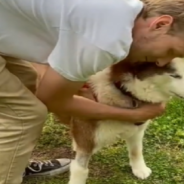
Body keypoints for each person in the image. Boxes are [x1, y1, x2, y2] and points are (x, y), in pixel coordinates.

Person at [0, 0, 183, 184]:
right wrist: (133, 115)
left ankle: (11, 160)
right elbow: (52, 100)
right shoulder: (108, 41)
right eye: (170, 51)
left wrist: (63, 76)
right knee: (25, 115)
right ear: (160, 24)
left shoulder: (126, 8)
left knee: (25, 83)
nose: (161, 62)